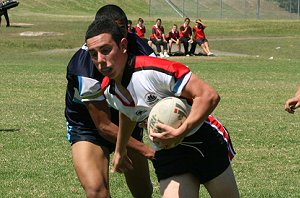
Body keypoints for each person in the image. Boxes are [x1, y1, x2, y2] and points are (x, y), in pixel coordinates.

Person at [85, 16, 240, 198]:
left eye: (105, 50)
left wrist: (182, 130)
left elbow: (208, 96)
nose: (100, 60)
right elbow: (128, 113)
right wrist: (120, 149)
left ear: (123, 45)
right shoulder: (109, 90)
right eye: (93, 54)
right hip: (168, 152)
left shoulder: (152, 70)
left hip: (203, 140)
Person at [65, 4, 155, 198]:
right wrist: (150, 152)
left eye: (123, 29)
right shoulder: (84, 68)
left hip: (128, 119)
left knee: (143, 192)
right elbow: (103, 125)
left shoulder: (140, 47)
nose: (119, 35)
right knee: (97, 191)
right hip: (88, 126)